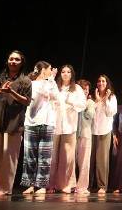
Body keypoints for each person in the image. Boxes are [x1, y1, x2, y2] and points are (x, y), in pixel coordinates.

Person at [0, 50, 31, 196]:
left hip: (14, 123)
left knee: (9, 157)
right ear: (7, 61)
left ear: (21, 62)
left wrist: (11, 92)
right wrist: (0, 91)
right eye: (11, 59)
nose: (13, 61)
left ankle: (5, 188)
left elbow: (27, 101)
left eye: (17, 59)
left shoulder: (25, 80)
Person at [20, 61, 59, 195]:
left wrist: (51, 81)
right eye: (49, 69)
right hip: (31, 122)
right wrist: (46, 84)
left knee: (45, 156)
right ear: (43, 70)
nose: (51, 71)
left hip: (48, 122)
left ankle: (41, 185)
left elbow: (57, 98)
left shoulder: (51, 83)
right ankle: (30, 184)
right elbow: (34, 100)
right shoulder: (31, 83)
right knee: (29, 156)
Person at [49, 65, 86, 193]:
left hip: (69, 126)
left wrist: (71, 103)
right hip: (55, 124)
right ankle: (50, 184)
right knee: (52, 156)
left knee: (67, 157)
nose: (65, 74)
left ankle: (65, 184)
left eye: (68, 72)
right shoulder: (56, 87)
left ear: (72, 74)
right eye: (63, 71)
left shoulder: (77, 88)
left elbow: (82, 105)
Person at [91, 74, 117, 195]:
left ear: (107, 84)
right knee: (90, 160)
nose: (101, 83)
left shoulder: (112, 97)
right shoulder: (93, 97)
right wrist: (97, 100)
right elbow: (90, 113)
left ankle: (102, 186)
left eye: (103, 81)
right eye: (99, 81)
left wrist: (105, 100)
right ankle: (88, 185)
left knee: (102, 160)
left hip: (104, 131)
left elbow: (110, 113)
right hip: (92, 131)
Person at [75, 79, 95, 195]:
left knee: (84, 162)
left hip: (85, 135)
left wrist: (84, 104)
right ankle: (70, 185)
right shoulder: (74, 102)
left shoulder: (90, 102)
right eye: (83, 89)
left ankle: (82, 186)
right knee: (71, 161)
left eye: (87, 89)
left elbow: (90, 115)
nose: (85, 91)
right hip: (73, 134)